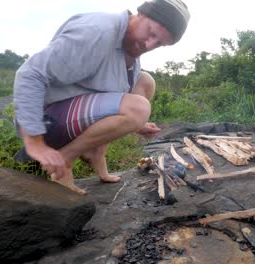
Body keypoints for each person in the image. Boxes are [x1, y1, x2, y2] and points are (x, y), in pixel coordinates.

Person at [13, 0, 190, 195]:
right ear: (140, 14)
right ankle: (65, 158)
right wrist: (35, 143)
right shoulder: (97, 31)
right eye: (152, 33)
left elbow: (107, 90)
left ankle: (96, 153)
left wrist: (137, 125)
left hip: (71, 114)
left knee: (145, 81)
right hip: (47, 122)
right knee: (138, 108)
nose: (149, 44)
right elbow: (30, 74)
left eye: (159, 44)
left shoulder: (130, 45)